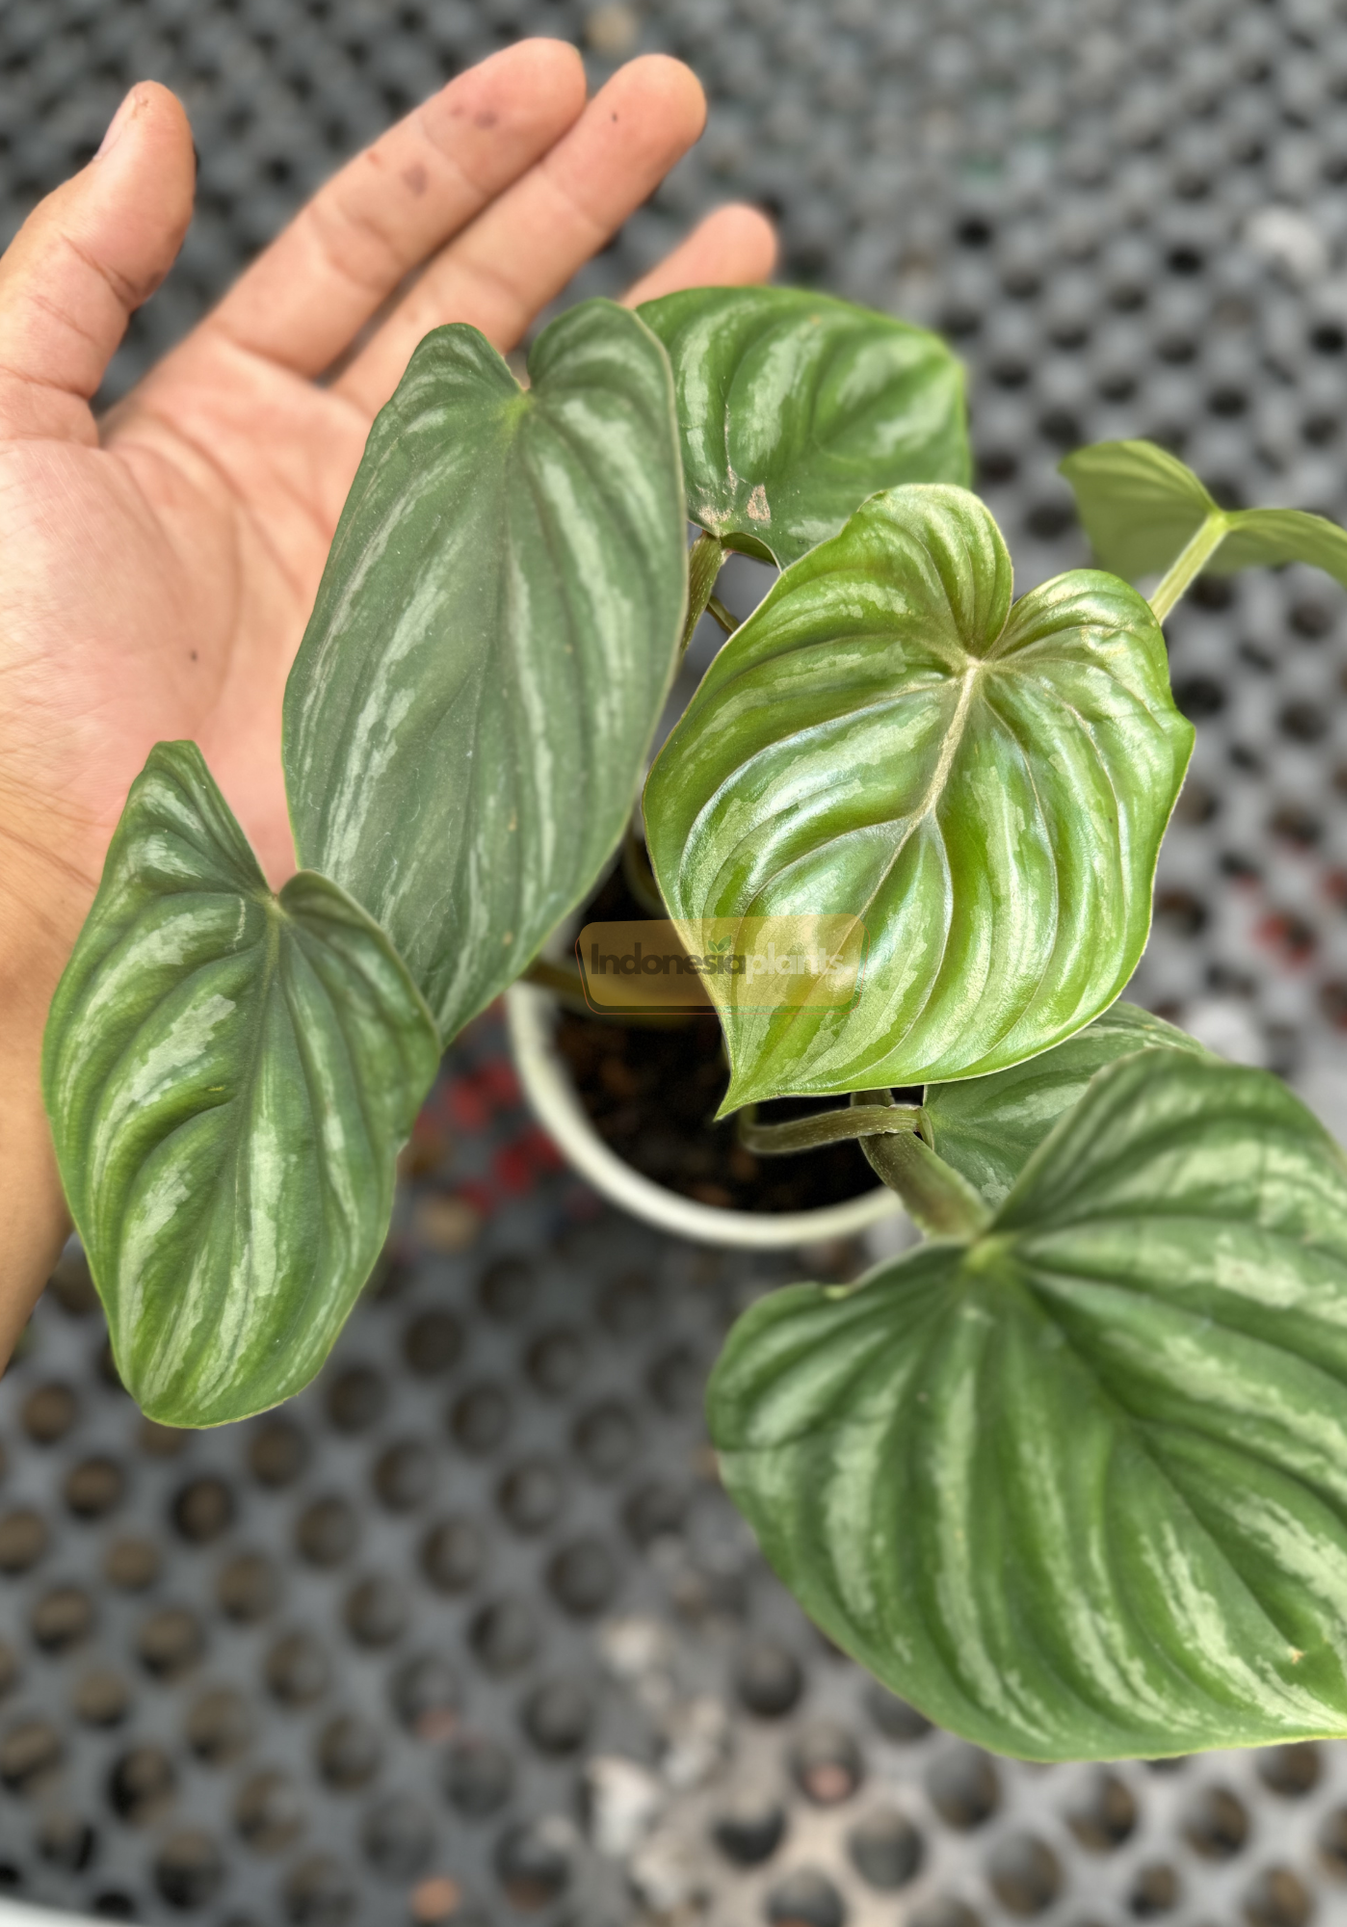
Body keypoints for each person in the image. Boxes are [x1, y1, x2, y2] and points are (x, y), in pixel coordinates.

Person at [0, 42, 775, 1361]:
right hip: (609, 960)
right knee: (669, 953)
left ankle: (804, 991)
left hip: (723, 957)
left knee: (778, 953)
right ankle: (788, 992)